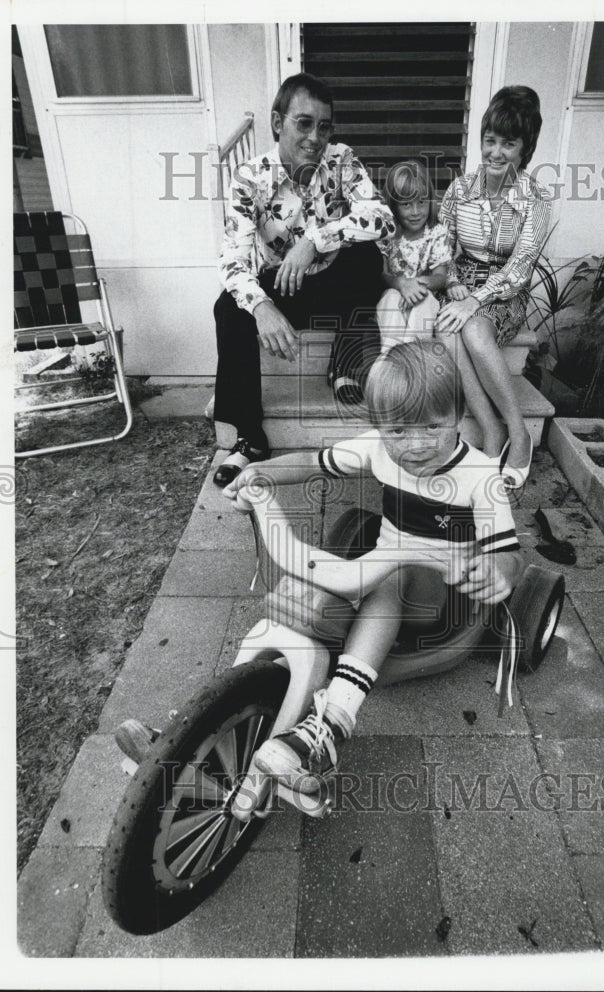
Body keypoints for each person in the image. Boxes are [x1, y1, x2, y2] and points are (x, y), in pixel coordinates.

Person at [223, 339, 522, 792]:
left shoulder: (481, 478)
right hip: (378, 568)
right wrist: (262, 474)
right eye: (398, 431)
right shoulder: (377, 449)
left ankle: (333, 721)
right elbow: (312, 462)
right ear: (378, 426)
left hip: (440, 592)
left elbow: (509, 552)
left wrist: (501, 568)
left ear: (459, 416)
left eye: (432, 426)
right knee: (318, 585)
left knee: (390, 579)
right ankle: (208, 717)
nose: (416, 445)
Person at [212, 72, 395, 488]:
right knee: (228, 306)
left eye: (324, 126)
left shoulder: (342, 159)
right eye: (304, 123)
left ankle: (344, 354)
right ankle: (249, 438)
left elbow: (382, 218)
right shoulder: (249, 177)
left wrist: (315, 241)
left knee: (367, 257)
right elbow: (232, 259)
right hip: (283, 287)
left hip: (333, 281)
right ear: (278, 123)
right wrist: (262, 307)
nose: (315, 137)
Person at [436, 85, 551, 489]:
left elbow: (521, 266)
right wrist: (453, 283)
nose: (496, 152)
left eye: (508, 143)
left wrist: (475, 300)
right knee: (446, 328)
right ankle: (491, 430)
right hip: (460, 283)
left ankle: (518, 435)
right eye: (490, 140)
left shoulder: (535, 199)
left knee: (471, 328)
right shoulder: (460, 190)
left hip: (505, 290)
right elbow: (442, 247)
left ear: (525, 149)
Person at [375, 160, 462, 351]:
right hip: (394, 296)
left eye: (421, 202)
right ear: (394, 205)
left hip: (424, 299)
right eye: (406, 204)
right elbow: (382, 275)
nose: (415, 212)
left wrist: (417, 285)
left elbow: (440, 277)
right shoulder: (387, 234)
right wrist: (402, 285)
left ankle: (413, 358)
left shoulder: (436, 233)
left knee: (424, 301)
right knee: (390, 298)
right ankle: (389, 357)